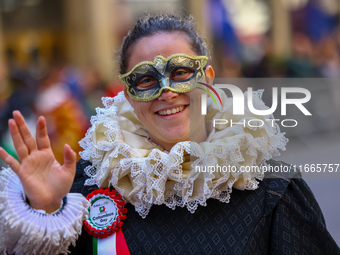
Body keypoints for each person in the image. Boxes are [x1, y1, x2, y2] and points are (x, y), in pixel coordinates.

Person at [0, 14, 339, 255]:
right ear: (130, 94)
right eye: (146, 79)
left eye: (180, 72)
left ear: (207, 77)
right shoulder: (89, 190)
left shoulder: (273, 190)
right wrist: (46, 210)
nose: (167, 91)